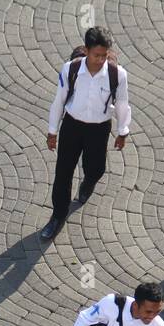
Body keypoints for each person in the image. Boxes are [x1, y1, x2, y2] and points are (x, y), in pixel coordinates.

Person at [40, 26, 131, 241]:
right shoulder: (70, 69)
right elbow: (59, 101)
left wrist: (122, 131)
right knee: (63, 173)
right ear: (87, 51)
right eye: (96, 55)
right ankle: (58, 215)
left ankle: (89, 182)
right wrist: (52, 131)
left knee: (96, 168)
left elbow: (123, 104)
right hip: (72, 126)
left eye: (104, 55)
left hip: (99, 129)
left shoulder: (117, 75)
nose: (100, 60)